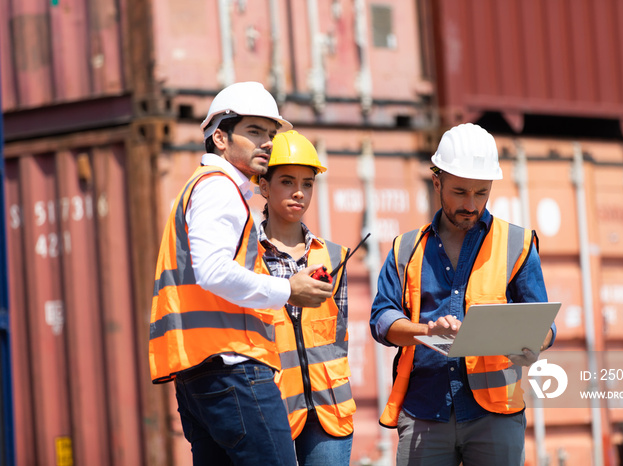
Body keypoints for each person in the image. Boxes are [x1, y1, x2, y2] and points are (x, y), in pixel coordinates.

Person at [149, 81, 334, 466]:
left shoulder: (202, 189)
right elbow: (213, 271)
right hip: (233, 371)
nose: (267, 142)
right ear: (220, 137)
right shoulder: (219, 189)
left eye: (270, 133)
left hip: (201, 373)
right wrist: (288, 288)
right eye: (253, 131)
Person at [369, 123, 557, 466]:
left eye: (481, 193)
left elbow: (543, 324)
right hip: (425, 410)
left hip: (495, 413)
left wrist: (533, 344)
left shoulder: (517, 244)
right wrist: (427, 331)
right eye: (459, 192)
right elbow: (382, 320)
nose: (471, 204)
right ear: (436, 180)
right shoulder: (405, 249)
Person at [256, 130, 355, 465]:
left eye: (308, 183)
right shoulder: (246, 257)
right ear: (264, 187)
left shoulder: (333, 256)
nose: (299, 192)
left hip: (329, 409)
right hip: (272, 407)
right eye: (286, 181)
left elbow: (338, 338)